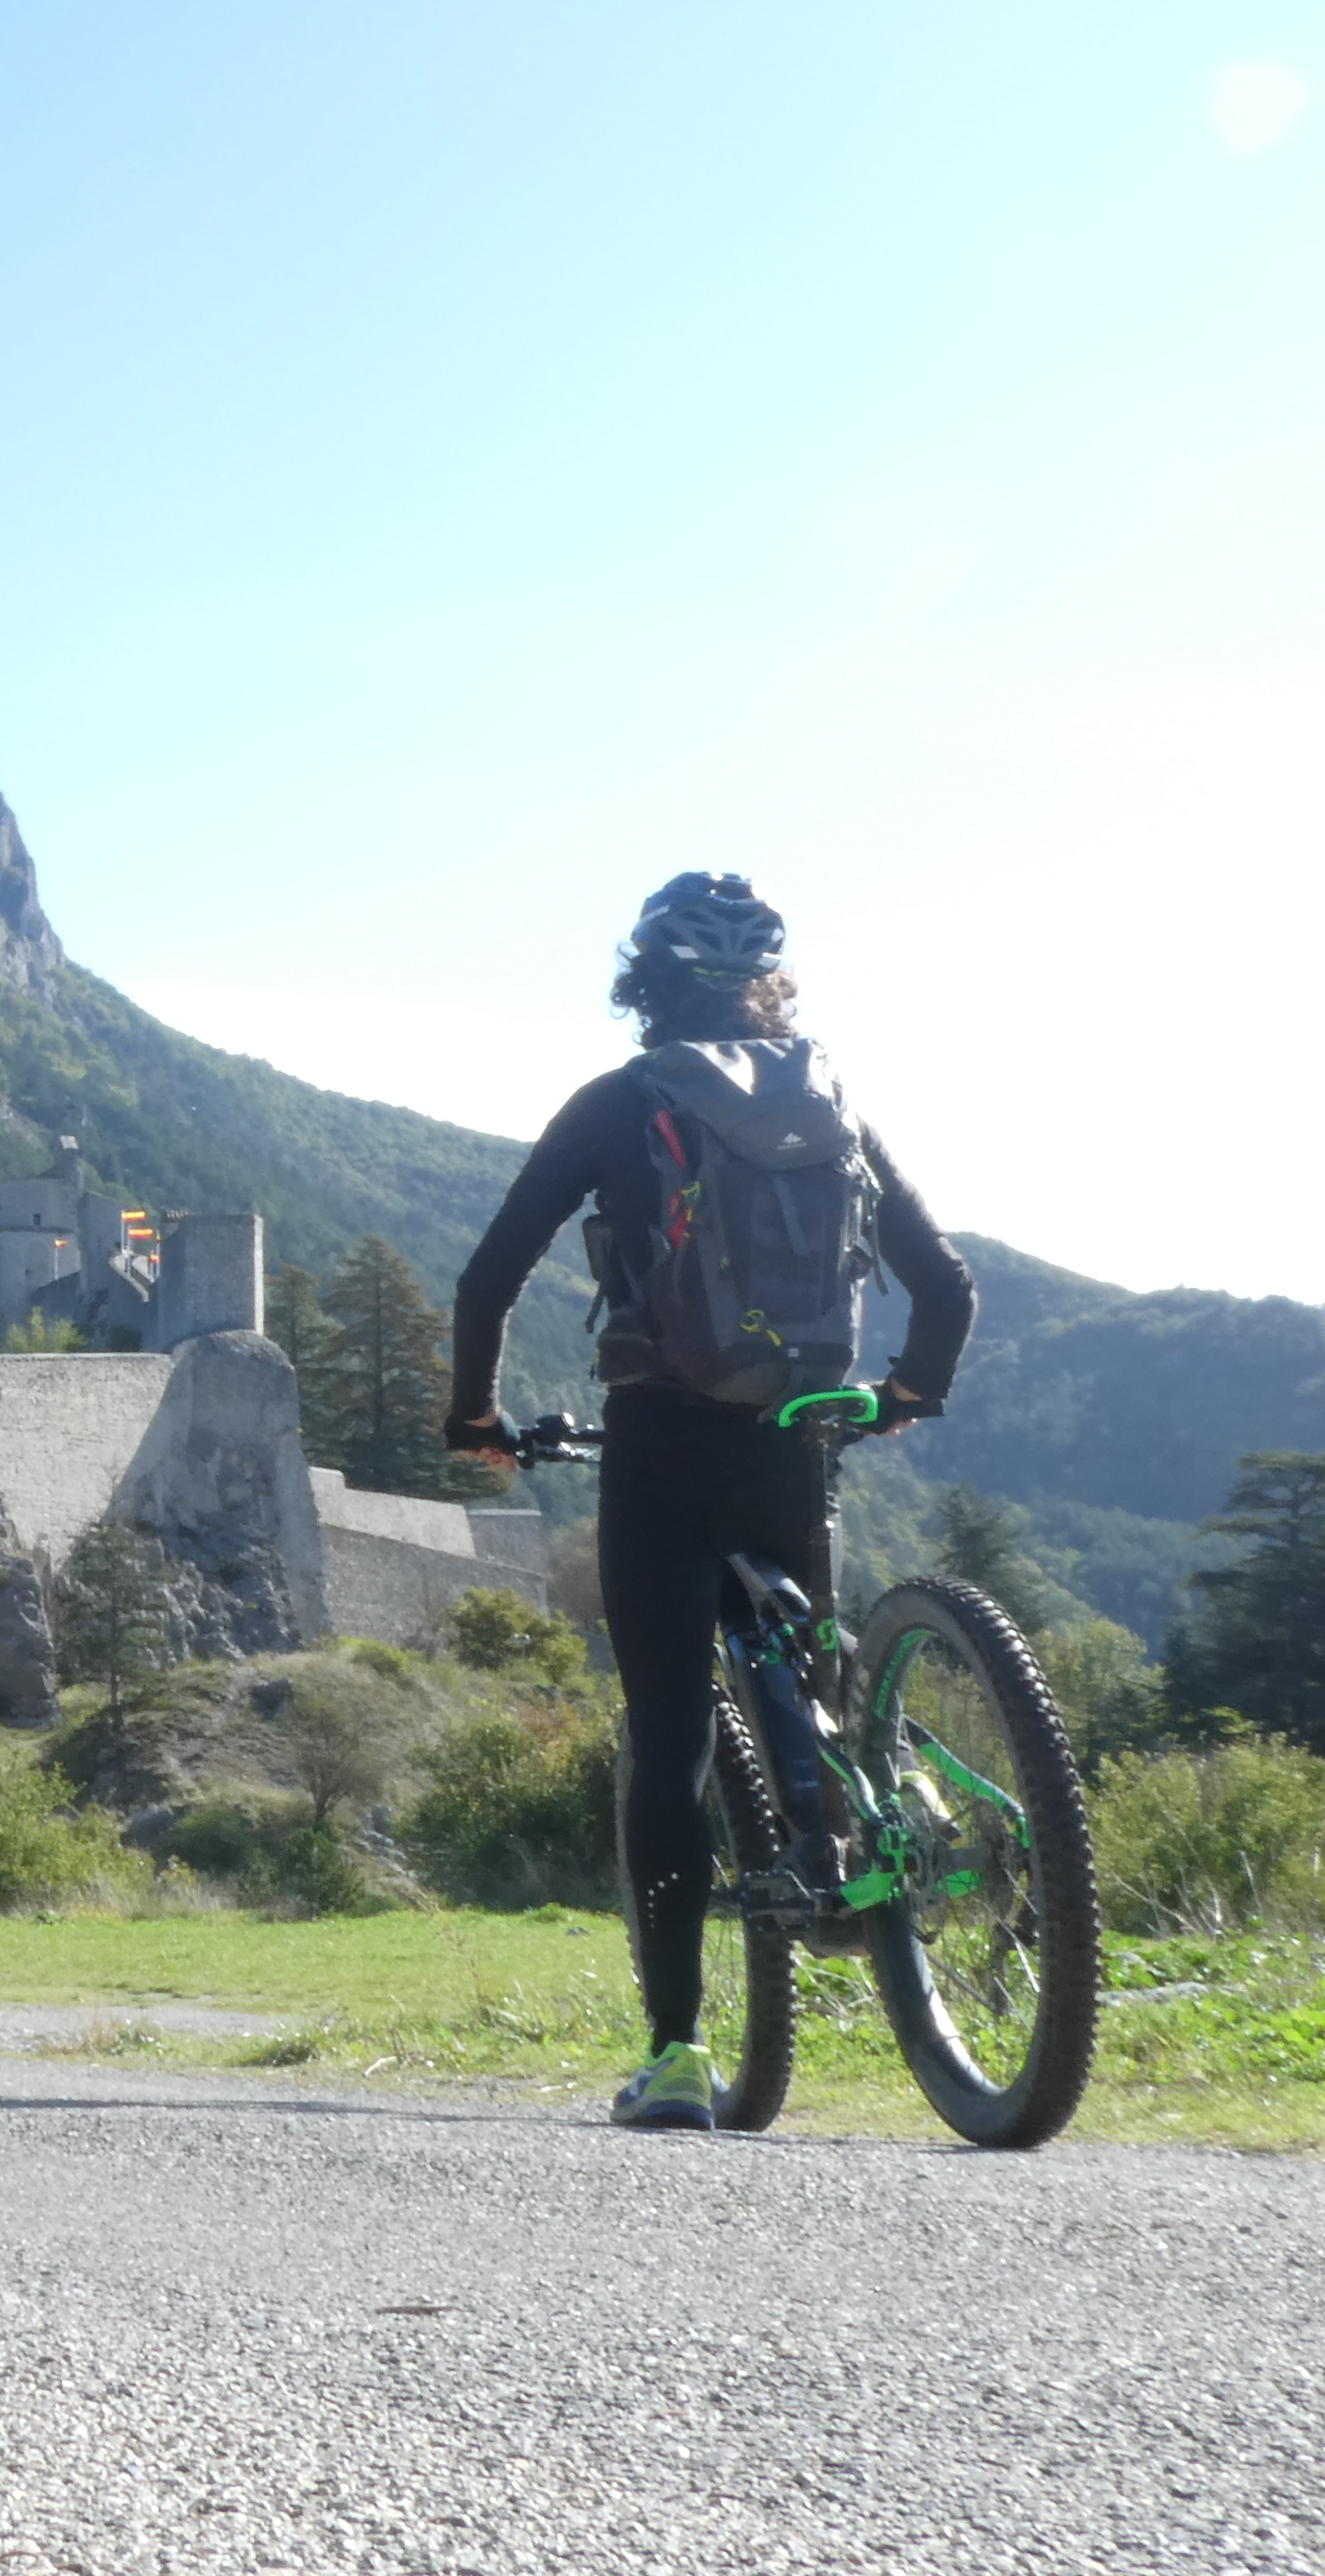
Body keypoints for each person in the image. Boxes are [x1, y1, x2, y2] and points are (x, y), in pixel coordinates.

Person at [442, 871, 975, 2134]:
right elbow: (944, 1282)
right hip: (796, 1428)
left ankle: (678, 2053)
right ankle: (877, 1817)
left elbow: (488, 1277)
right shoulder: (829, 1102)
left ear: (644, 983)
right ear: (768, 986)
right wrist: (909, 1392)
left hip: (664, 1436)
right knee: (807, 1663)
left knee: (672, 1732)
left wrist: (475, 1417)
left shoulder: (625, 1101)